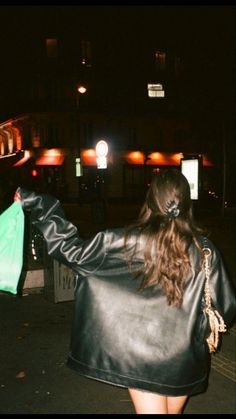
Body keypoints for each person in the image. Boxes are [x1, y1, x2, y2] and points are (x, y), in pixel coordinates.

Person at [14, 168, 236, 414]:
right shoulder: (205, 250)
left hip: (140, 358)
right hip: (183, 360)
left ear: (150, 200)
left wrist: (40, 203)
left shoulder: (120, 241)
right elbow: (225, 307)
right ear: (186, 203)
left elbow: (69, 249)